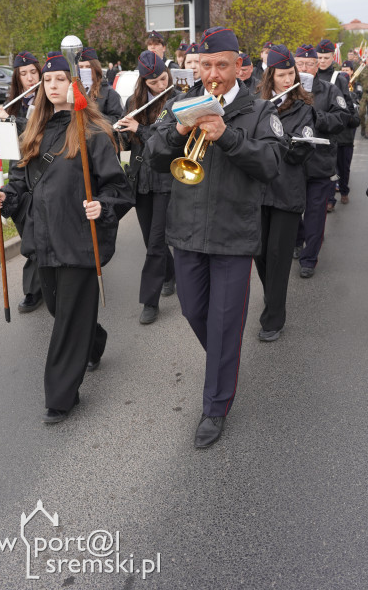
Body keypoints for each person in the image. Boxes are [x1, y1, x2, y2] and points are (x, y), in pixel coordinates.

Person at [147, 26, 283, 448]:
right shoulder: (180, 104)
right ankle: (224, 364)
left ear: (239, 67)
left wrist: (228, 136)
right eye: (205, 65)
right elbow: (151, 154)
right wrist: (177, 133)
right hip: (186, 231)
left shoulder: (259, 112)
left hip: (233, 235)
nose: (213, 74)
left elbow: (272, 163)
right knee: (192, 311)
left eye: (221, 65)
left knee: (225, 324)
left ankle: (215, 405)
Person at [0, 51, 133, 422]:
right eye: (47, 81)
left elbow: (120, 189)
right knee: (58, 309)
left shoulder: (94, 132)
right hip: (44, 240)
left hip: (81, 241)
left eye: (60, 80)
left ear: (74, 84)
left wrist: (102, 205)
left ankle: (60, 397)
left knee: (67, 320)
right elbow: (21, 183)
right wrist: (5, 197)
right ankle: (94, 340)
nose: (53, 87)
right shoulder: (34, 129)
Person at [254, 45, 315, 341]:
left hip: (287, 191)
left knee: (278, 256)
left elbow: (299, 153)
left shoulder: (305, 108)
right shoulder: (257, 105)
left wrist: (277, 137)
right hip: (258, 190)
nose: (289, 79)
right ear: (271, 76)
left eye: (292, 74)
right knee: (261, 253)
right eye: (283, 74)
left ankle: (273, 318)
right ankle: (272, 298)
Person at [117, 51, 180, 324]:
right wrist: (121, 133)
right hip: (141, 178)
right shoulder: (134, 102)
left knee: (156, 241)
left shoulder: (178, 99)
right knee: (149, 239)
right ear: (143, 81)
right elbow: (129, 145)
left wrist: (139, 129)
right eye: (153, 82)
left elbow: (167, 139)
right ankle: (169, 273)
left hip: (166, 177)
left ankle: (149, 302)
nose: (160, 85)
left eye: (163, 78)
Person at [0, 51, 44, 313]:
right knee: (27, 233)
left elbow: (41, 131)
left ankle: (36, 288)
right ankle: (40, 286)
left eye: (33, 72)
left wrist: (13, 121)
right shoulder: (13, 102)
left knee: (41, 233)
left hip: (44, 171)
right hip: (19, 175)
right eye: (23, 74)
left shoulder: (50, 100)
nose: (29, 77)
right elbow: (3, 146)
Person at [292, 44, 350, 275]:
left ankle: (309, 258)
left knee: (316, 214)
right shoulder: (287, 90)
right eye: (300, 64)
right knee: (293, 210)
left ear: (317, 67)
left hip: (319, 162)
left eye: (309, 64)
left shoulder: (329, 90)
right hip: (292, 164)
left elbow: (342, 119)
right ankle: (298, 239)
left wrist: (317, 115)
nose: (304, 67)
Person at [326, 60, 360, 208]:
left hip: (345, 140)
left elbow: (356, 120)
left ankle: (344, 191)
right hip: (332, 140)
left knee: (343, 169)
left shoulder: (350, 98)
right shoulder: (329, 97)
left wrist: (347, 116)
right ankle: (330, 199)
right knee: (331, 170)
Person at [78, 46, 124, 126]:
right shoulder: (71, 91)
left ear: (95, 68)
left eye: (88, 67)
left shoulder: (109, 93)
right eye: (81, 67)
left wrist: (93, 116)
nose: (84, 70)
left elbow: (118, 120)